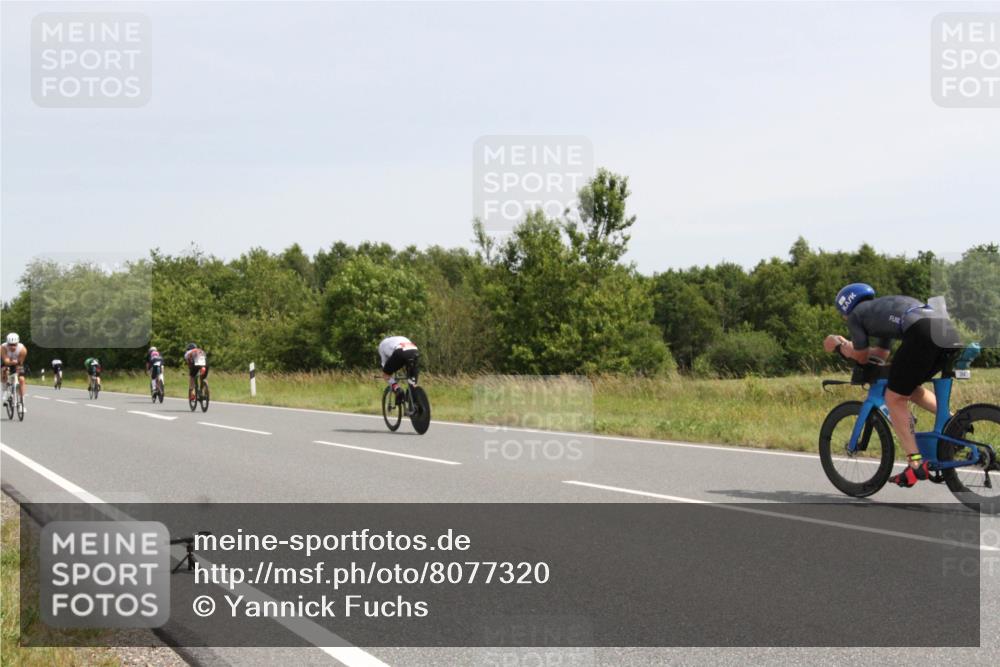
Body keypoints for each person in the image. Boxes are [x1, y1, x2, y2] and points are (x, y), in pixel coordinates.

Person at [823, 283, 961, 488]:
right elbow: (880, 355)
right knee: (909, 388)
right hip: (947, 331)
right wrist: (855, 350)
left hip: (922, 333)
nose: (844, 318)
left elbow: (861, 357)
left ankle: (915, 462)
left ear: (845, 307)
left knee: (893, 398)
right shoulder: (881, 308)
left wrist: (841, 346)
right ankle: (956, 424)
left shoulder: (856, 315)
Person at [378, 335, 419, 400]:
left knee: (385, 374)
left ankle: (397, 389)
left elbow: (384, 364)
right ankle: (413, 394)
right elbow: (407, 354)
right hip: (414, 350)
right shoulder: (402, 337)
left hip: (400, 351)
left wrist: (387, 372)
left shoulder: (382, 344)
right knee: (412, 380)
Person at [1, 333, 28, 410]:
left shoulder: (23, 349)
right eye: (10, 345)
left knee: (22, 380)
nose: (12, 347)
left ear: (18, 343)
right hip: (7, 362)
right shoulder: (2, 347)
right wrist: (11, 363)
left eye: (14, 345)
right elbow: (6, 361)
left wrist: (17, 373)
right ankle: (5, 392)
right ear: (7, 343)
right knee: (4, 371)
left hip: (18, 364)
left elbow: (20, 363)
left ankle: (22, 404)